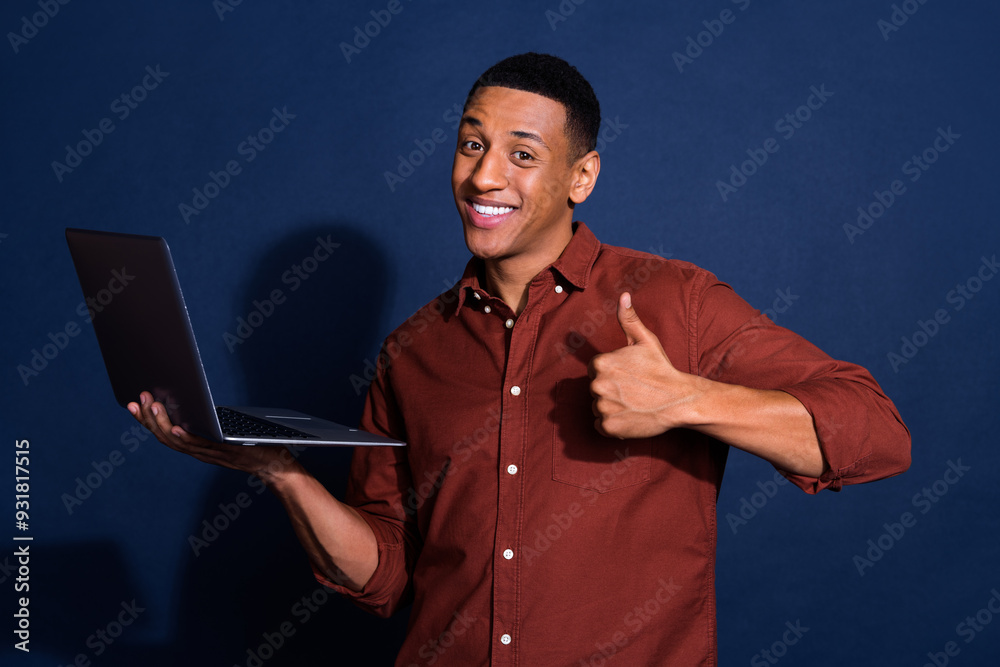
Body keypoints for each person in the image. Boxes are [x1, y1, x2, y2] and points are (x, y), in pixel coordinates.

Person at [129, 53, 911, 665]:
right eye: (472, 142)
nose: (484, 174)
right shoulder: (412, 352)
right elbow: (389, 576)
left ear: (582, 176)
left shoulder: (678, 301)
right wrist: (280, 472)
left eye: (522, 153)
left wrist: (688, 401)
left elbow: (876, 432)